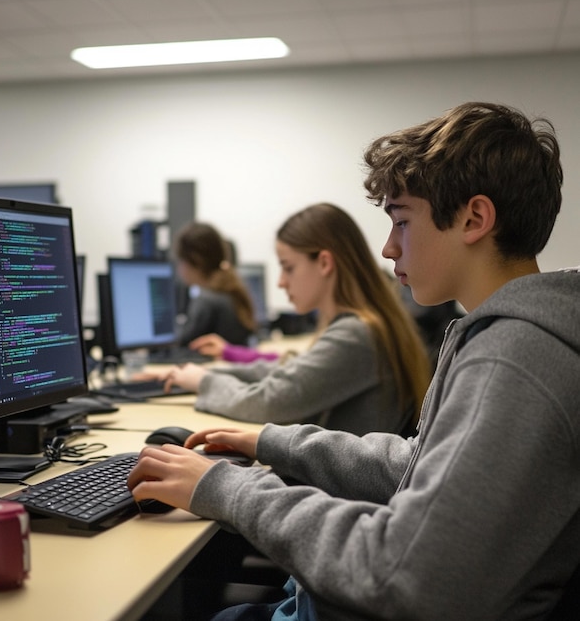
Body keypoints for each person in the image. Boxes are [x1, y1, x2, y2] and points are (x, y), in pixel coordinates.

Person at [127, 102, 580, 620]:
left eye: (402, 222)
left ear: (474, 218)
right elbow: (417, 467)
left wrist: (227, 487)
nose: (388, 248)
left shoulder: (516, 357)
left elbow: (407, 575)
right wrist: (272, 441)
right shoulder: (504, 336)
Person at [154, 202, 431, 436]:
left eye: (288, 268)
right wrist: (203, 373)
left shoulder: (356, 334)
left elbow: (270, 402)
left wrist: (204, 382)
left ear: (324, 263)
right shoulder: (363, 324)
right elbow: (288, 372)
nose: (281, 283)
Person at [173, 221, 256, 346]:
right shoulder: (231, 290)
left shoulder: (206, 300)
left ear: (195, 260)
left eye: (180, 260)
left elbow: (182, 343)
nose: (179, 268)